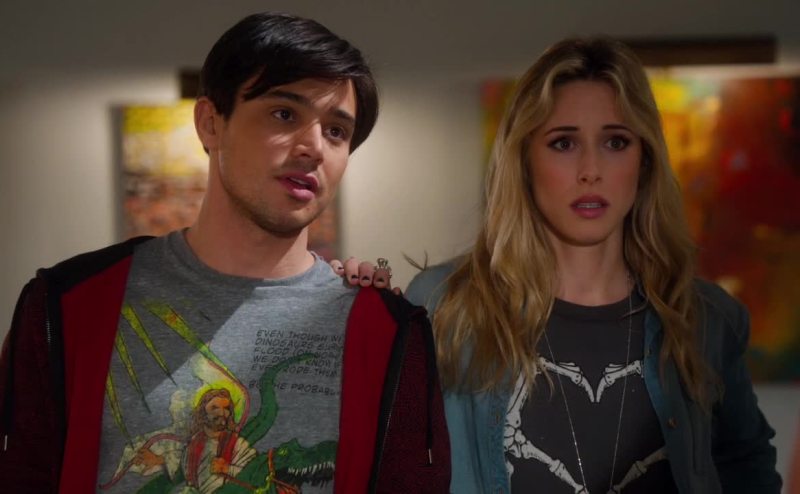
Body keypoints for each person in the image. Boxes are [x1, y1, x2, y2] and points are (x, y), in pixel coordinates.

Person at [0, 12, 449, 493]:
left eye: (337, 131)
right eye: (284, 114)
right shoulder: (70, 304)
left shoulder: (386, 328)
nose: (314, 147)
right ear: (210, 123)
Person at [347, 37, 781, 493]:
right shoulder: (447, 308)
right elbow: (386, 467)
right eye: (564, 143)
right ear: (525, 161)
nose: (590, 169)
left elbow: (747, 467)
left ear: (644, 161)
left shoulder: (704, 320)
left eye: (615, 141)